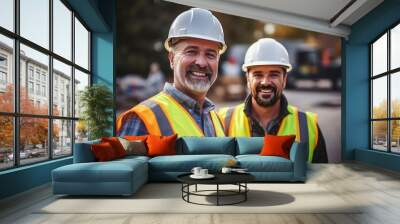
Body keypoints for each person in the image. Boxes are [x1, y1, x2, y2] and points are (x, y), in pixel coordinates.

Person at [117, 8, 226, 137]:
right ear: (172, 59)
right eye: (191, 51)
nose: (201, 63)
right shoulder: (142, 120)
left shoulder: (215, 120)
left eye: (210, 54)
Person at [218, 38, 328, 162]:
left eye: (274, 74)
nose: (265, 82)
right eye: (258, 74)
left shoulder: (308, 126)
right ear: (248, 79)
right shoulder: (222, 121)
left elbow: (323, 178)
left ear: (284, 79)